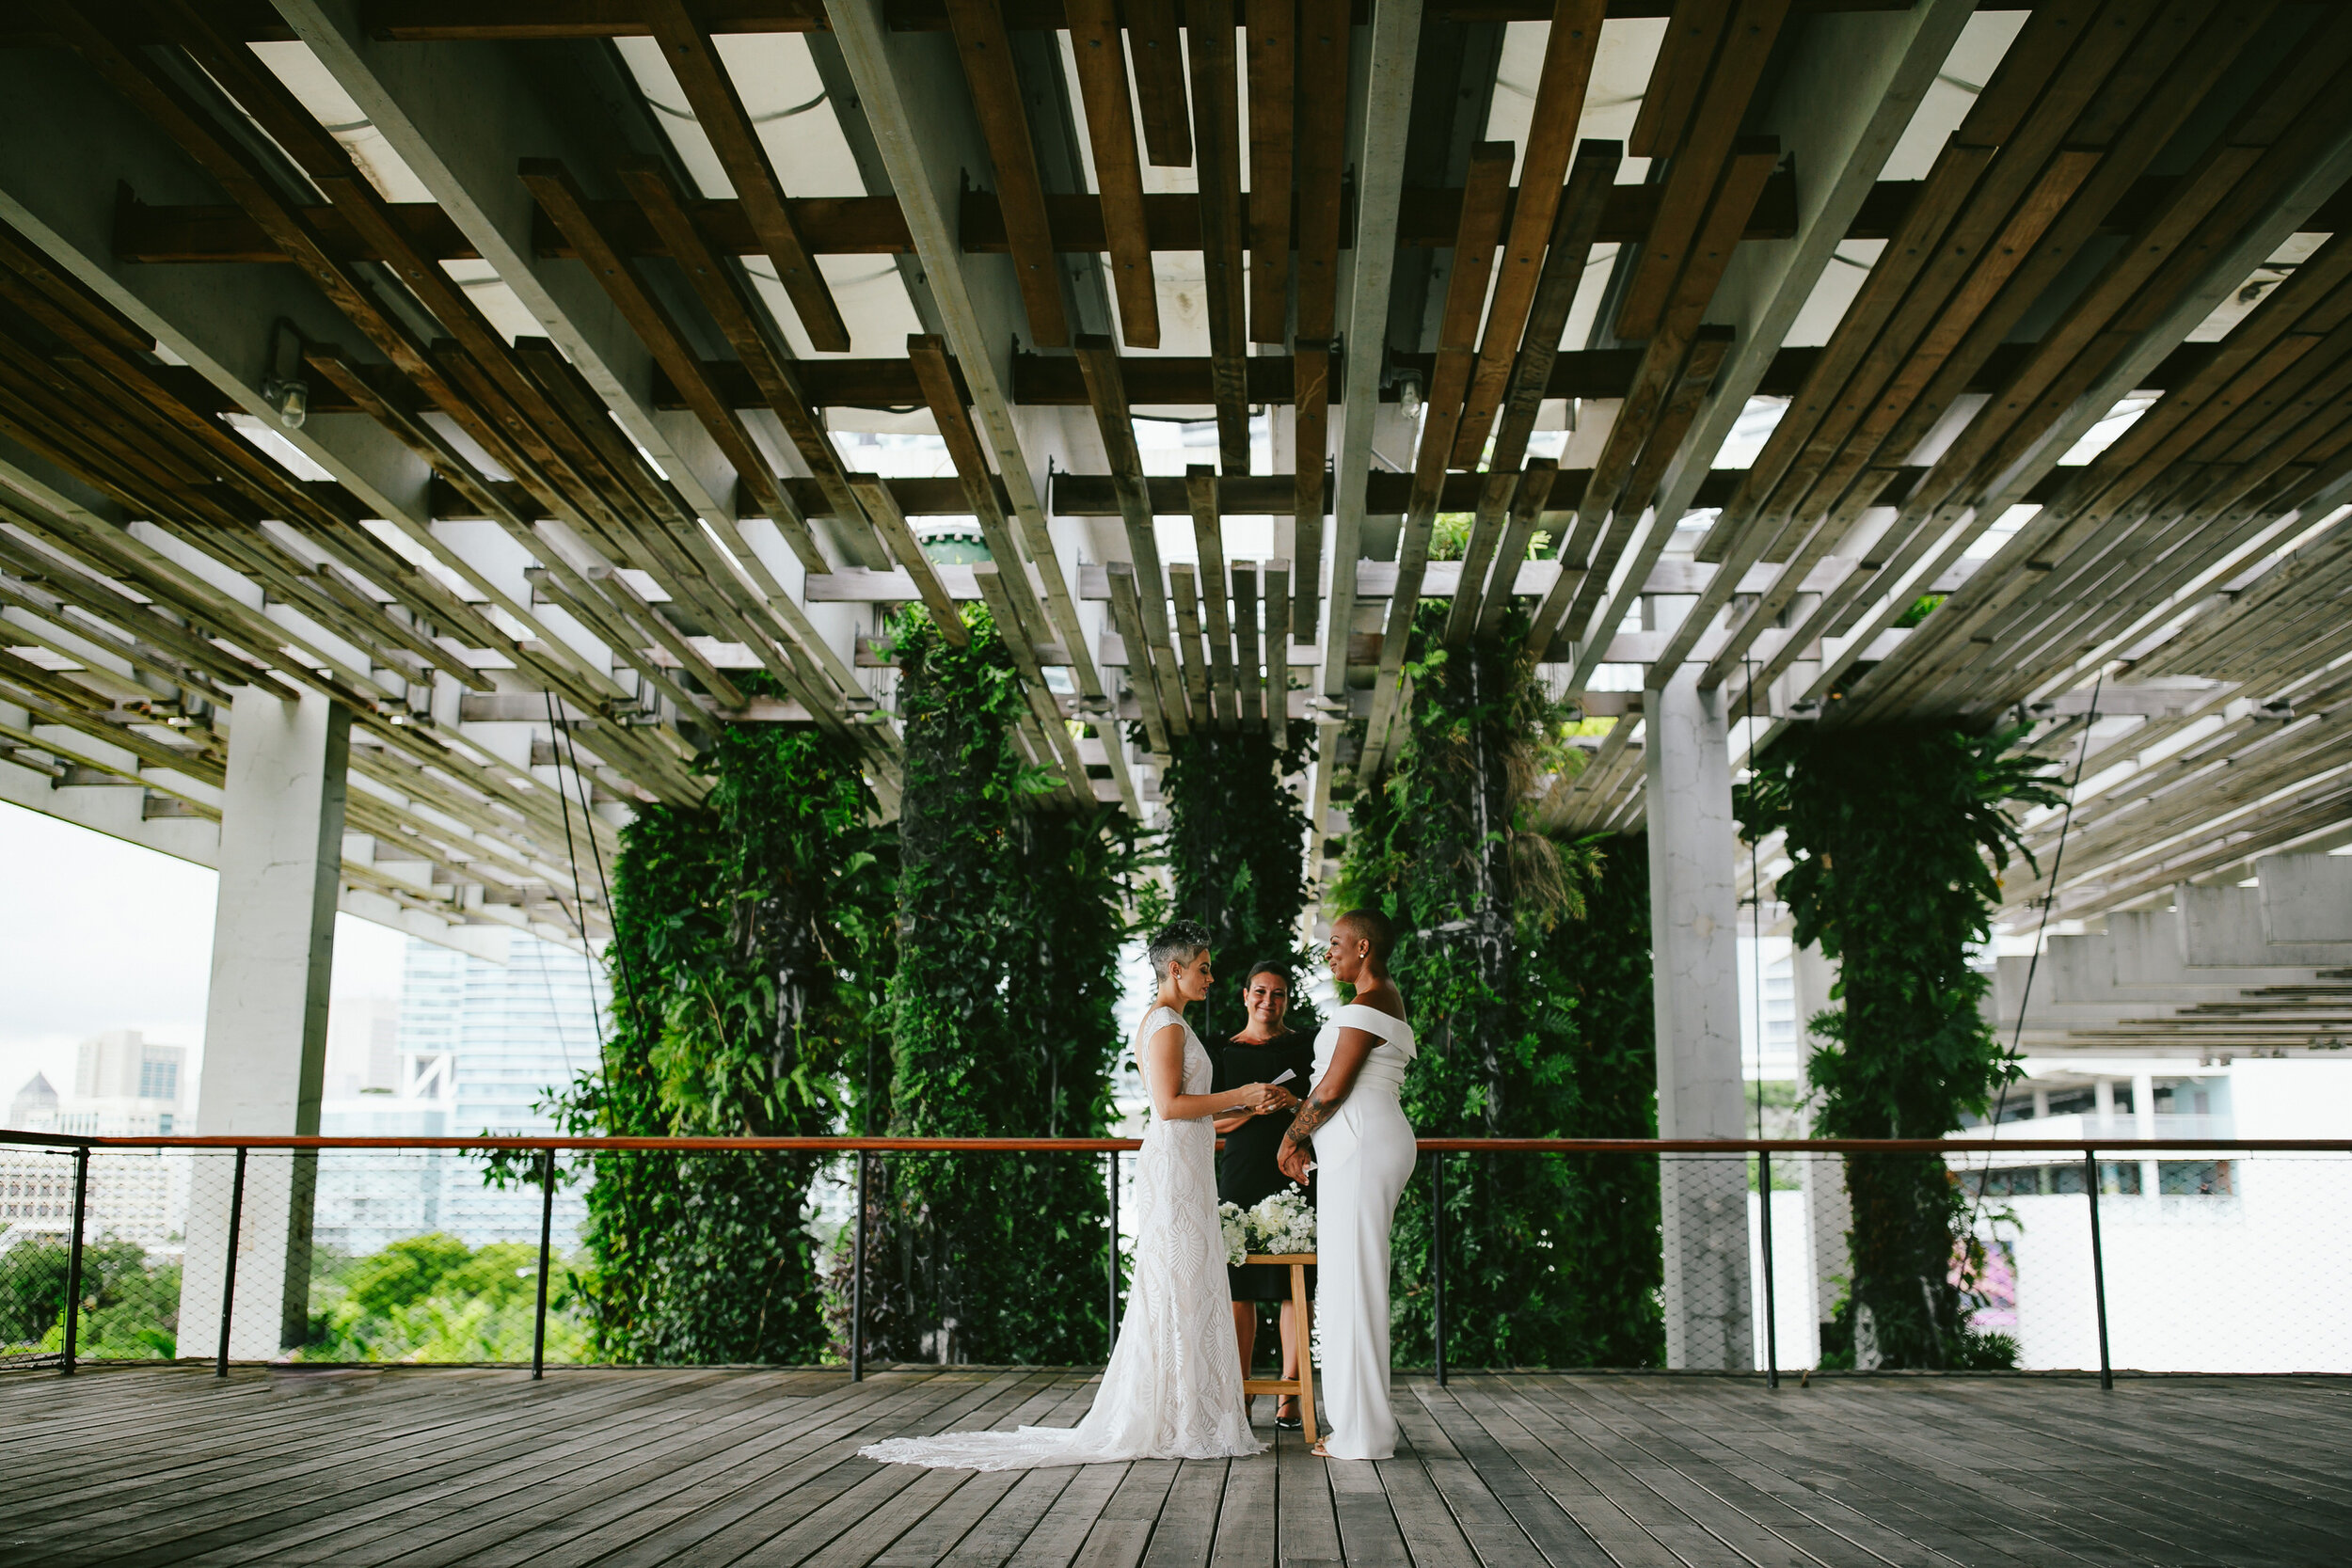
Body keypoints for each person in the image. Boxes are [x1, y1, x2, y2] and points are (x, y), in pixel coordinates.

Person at [861, 920, 1295, 1470]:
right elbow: (1166, 1107)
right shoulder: (1165, 1025)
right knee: (1178, 1279)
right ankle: (1178, 1414)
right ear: (1176, 969)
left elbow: (1192, 1108)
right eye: (1204, 968)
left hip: (1188, 1161)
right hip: (1175, 1169)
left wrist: (1245, 1108)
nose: (1212, 977)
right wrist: (1241, 1092)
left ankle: (1190, 1409)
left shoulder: (1176, 1024)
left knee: (1187, 1281)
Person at [1278, 909, 1416, 1461]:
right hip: (1356, 1144)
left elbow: (1334, 1089)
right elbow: (1331, 1090)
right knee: (1346, 1282)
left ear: (1363, 947)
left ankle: (1364, 1433)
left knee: (1354, 1285)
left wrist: (1291, 1138)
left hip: (1362, 1147)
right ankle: (1357, 1424)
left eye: (1335, 943)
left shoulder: (1371, 1000)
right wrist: (1302, 1114)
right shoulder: (1373, 999)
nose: (1328, 952)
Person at [1209, 961, 1315, 1430]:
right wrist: (1251, 1105)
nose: (1268, 1001)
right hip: (1240, 1172)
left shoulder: (1305, 1046)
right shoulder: (1222, 1051)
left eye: (1278, 994)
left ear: (1287, 999)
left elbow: (1324, 1104)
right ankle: (1242, 1392)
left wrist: (1289, 1102)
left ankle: (1293, 1397)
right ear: (1245, 995)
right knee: (1239, 1284)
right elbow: (1204, 1119)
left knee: (1298, 1284)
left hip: (1293, 1170)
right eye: (1260, 992)